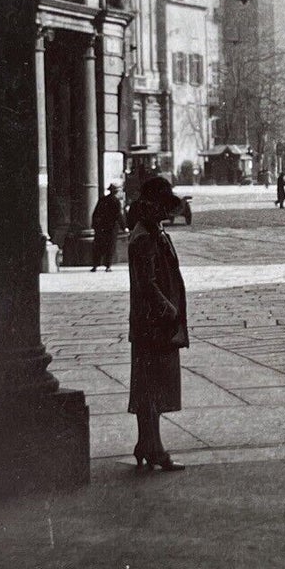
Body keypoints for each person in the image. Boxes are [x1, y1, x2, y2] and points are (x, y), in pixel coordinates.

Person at [128, 176, 189, 471]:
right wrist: (168, 310)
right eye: (162, 206)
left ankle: (145, 444)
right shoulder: (145, 237)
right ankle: (155, 448)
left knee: (149, 387)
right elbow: (147, 283)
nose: (166, 212)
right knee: (154, 388)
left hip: (151, 324)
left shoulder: (151, 231)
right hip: (154, 324)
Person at [89, 184, 125, 272]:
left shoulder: (102, 199)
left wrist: (94, 225)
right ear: (116, 191)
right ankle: (108, 266)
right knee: (110, 246)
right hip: (111, 227)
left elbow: (95, 213)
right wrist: (124, 226)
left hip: (101, 227)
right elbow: (118, 215)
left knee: (98, 246)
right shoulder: (116, 201)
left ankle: (95, 265)